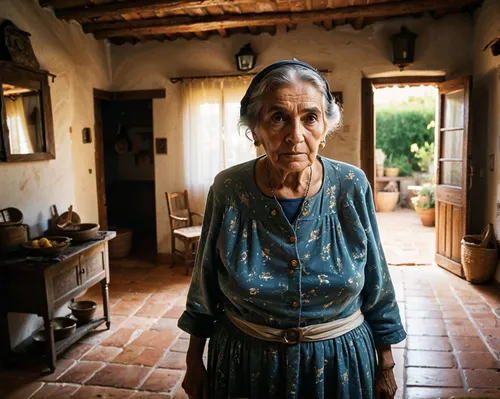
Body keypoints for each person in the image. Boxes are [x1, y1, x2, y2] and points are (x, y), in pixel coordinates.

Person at [178, 60, 406, 399]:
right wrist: (193, 360)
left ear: (326, 125)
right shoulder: (229, 189)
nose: (295, 136)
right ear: (255, 128)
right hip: (247, 365)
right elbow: (205, 285)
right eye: (278, 117)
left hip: (338, 366)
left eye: (310, 118)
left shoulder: (350, 185)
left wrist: (385, 365)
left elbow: (377, 281)